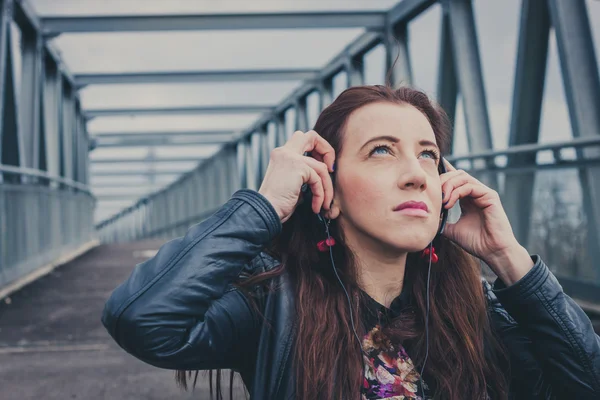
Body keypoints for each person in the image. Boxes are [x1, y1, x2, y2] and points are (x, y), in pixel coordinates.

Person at [101, 85, 600, 400]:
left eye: (428, 155)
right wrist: (264, 207)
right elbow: (142, 317)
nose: (414, 175)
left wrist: (508, 259)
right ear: (327, 187)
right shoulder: (275, 307)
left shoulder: (475, 311)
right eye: (381, 151)